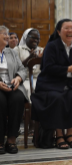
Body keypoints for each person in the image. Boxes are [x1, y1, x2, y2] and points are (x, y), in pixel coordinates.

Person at [31, 19, 72, 149]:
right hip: (49, 85)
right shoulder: (52, 46)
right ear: (59, 32)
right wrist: (68, 69)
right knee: (58, 98)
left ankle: (69, 134)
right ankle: (59, 135)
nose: (70, 31)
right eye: (66, 28)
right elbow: (48, 68)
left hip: (68, 84)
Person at [0, 26, 27, 154]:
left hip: (11, 85)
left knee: (18, 98)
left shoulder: (11, 52)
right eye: (3, 34)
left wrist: (18, 78)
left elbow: (22, 69)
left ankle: (11, 139)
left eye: (7, 33)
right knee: (1, 101)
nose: (7, 36)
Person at [14, 28, 44, 101]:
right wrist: (30, 58)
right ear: (25, 37)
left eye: (38, 38)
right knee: (29, 89)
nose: (36, 40)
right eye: (33, 38)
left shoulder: (42, 50)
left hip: (39, 79)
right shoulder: (18, 49)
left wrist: (39, 59)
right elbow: (15, 67)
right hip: (24, 79)